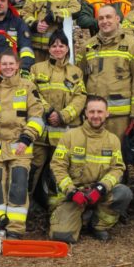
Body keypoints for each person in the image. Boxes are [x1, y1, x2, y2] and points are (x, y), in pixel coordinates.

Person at [0, 51, 45, 237]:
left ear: (17, 65)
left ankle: (15, 230)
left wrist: (27, 138)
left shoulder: (28, 87)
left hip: (20, 146)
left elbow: (37, 116)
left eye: (11, 64)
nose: (8, 67)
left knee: (18, 184)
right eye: (4, 64)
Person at [78, 4, 134, 190]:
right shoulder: (88, 46)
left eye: (109, 17)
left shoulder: (133, 45)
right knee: (93, 156)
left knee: (118, 158)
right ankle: (94, 196)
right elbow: (79, 78)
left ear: (118, 19)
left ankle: (118, 199)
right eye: (101, 18)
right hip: (94, 116)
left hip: (121, 117)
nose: (105, 21)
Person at [49, 96, 132, 243]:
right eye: (92, 111)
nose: (95, 116)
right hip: (75, 195)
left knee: (124, 193)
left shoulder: (113, 140)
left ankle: (98, 225)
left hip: (99, 193)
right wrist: (71, 191)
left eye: (100, 112)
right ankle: (80, 218)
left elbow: (117, 169)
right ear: (85, 113)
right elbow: (57, 166)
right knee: (62, 237)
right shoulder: (69, 136)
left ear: (107, 113)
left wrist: (101, 188)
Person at [29, 31, 87, 204]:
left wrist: (63, 115)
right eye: (54, 45)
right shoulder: (36, 69)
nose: (58, 49)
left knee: (60, 170)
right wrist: (48, 111)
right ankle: (25, 206)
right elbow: (32, 93)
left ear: (67, 48)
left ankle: (58, 207)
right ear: (48, 49)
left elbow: (80, 97)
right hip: (40, 134)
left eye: (61, 45)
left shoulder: (76, 72)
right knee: (33, 170)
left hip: (63, 134)